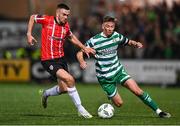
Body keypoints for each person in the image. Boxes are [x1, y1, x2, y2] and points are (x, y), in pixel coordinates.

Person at [76, 15, 171, 118]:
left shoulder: (116, 36)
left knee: (138, 91)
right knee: (119, 104)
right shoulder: (94, 41)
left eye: (112, 26)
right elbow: (79, 53)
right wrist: (81, 62)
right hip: (105, 78)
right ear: (103, 26)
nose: (110, 29)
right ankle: (110, 97)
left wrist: (135, 44)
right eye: (107, 26)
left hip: (118, 71)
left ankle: (159, 111)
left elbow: (128, 42)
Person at [27, 3, 95, 119]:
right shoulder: (47, 20)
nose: (66, 17)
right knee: (70, 79)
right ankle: (80, 109)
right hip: (48, 60)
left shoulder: (66, 26)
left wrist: (84, 48)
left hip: (61, 59)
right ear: (58, 13)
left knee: (64, 89)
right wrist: (29, 34)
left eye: (68, 15)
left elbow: (71, 37)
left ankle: (46, 93)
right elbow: (33, 17)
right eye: (64, 14)